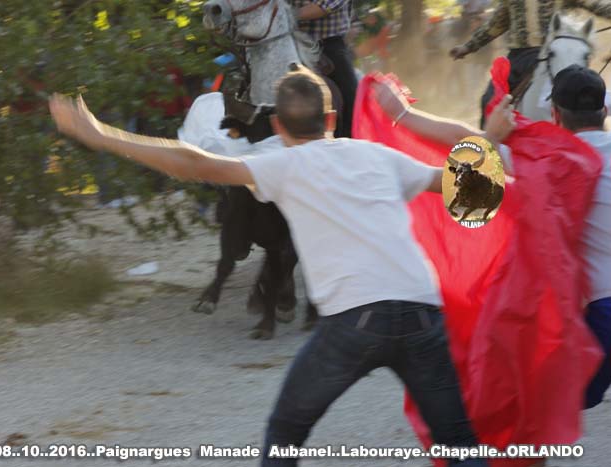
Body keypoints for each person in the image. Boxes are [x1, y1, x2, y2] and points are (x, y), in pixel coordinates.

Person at [50, 66, 518, 466]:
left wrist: (101, 135)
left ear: (277, 124)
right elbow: (474, 194)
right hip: (421, 313)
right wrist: (488, 138)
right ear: (333, 118)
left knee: (285, 435)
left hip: (353, 325)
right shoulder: (379, 157)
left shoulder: (279, 165)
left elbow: (194, 162)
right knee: (460, 446)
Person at [373, 64, 610, 413]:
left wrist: (401, 112)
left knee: (532, 412)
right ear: (605, 110)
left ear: (556, 114)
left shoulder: (548, 159)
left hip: (599, 314)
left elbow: (463, 139)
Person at [449, 0, 611, 127]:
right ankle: (490, 153)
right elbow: (497, 23)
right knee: (489, 101)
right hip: (521, 55)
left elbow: (597, 4)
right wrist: (468, 46)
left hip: (558, 51)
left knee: (586, 92)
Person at [292, 0, 358, 137]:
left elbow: (325, 5)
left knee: (351, 98)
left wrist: (286, 15)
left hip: (328, 45)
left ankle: (349, 138)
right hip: (286, 42)